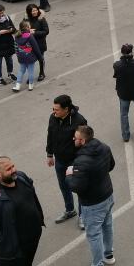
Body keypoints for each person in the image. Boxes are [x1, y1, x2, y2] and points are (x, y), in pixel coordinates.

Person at [66, 125, 116, 266]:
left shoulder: (81, 161)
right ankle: (108, 255)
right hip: (107, 195)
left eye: (75, 138)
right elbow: (111, 166)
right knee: (107, 225)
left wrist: (69, 175)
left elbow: (76, 186)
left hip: (92, 203)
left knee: (93, 234)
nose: (73, 139)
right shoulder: (104, 147)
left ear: (82, 140)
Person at [46, 94, 88, 225]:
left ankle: (83, 216)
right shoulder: (53, 118)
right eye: (53, 109)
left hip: (75, 160)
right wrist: (49, 154)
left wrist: (82, 158)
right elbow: (50, 135)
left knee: (79, 188)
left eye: (56, 109)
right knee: (64, 186)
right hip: (60, 160)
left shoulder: (79, 121)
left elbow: (85, 141)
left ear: (66, 109)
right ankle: (70, 210)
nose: (54, 112)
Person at [113, 43, 134, 142]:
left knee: (124, 114)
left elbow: (116, 75)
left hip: (123, 93)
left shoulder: (117, 65)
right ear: (131, 52)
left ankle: (125, 135)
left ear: (122, 53)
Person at [12, 20, 43, 92]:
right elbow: (35, 47)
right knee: (31, 71)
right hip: (30, 56)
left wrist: (18, 56)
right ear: (27, 27)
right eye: (29, 25)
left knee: (21, 71)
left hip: (21, 56)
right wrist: (40, 57)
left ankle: (17, 85)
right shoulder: (30, 36)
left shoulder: (17, 36)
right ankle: (30, 85)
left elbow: (16, 47)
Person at [25, 4, 49, 81]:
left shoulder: (41, 19)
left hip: (40, 43)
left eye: (36, 10)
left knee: (40, 58)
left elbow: (46, 31)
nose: (35, 12)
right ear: (29, 12)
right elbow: (22, 31)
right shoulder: (26, 20)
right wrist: (27, 32)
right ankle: (30, 76)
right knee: (30, 61)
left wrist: (34, 33)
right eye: (33, 11)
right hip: (29, 44)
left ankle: (41, 73)